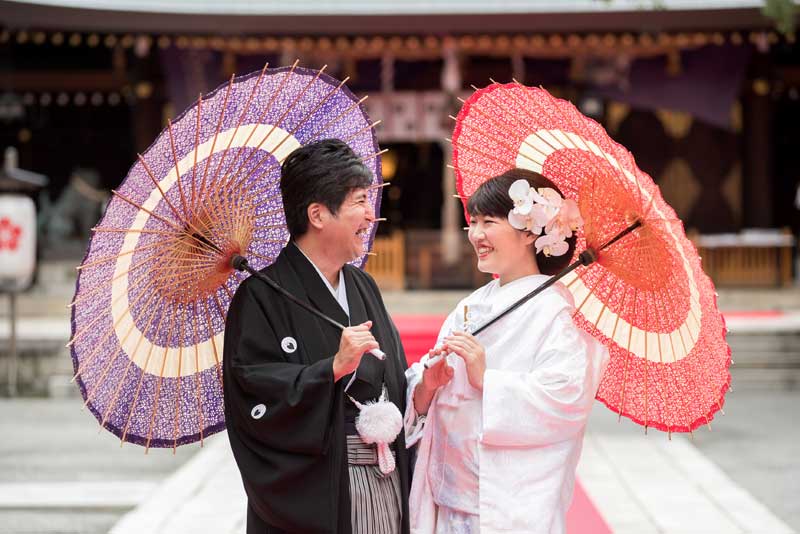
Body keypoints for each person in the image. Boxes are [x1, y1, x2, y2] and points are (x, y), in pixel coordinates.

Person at [404, 168, 609, 534]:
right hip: (449, 497)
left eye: (488, 221)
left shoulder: (553, 313)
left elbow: (567, 397)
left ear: (530, 231)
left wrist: (489, 380)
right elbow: (424, 388)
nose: (476, 234)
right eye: (473, 222)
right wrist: (427, 386)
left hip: (506, 506)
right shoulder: (471, 306)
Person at [223, 139, 410, 534]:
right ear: (318, 214)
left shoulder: (362, 285)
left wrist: (424, 391)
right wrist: (333, 369)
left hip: (383, 478)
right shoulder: (260, 297)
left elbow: (394, 379)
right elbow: (254, 397)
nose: (370, 215)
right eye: (360, 201)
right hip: (319, 490)